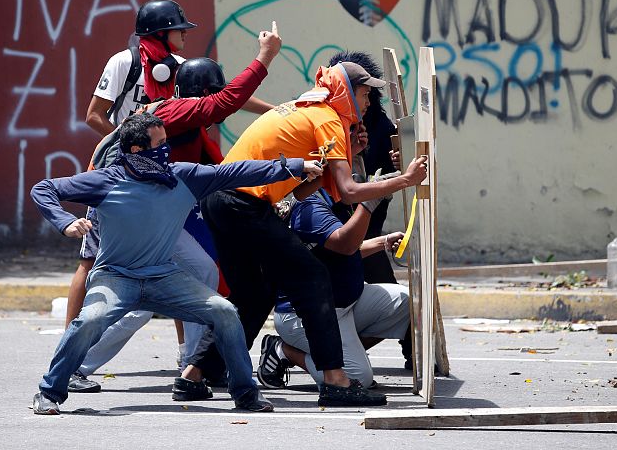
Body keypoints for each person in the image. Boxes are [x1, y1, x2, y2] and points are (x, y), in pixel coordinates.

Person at [31, 112, 323, 414]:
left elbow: (238, 172)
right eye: (160, 144)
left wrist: (295, 166)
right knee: (89, 320)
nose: (167, 151)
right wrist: (64, 222)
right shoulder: (105, 180)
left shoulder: (182, 176)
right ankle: (49, 391)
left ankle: (245, 393)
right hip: (115, 277)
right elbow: (44, 189)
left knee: (224, 311)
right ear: (136, 151)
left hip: (164, 276)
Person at [190, 61, 428, 407]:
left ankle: (195, 374)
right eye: (363, 94)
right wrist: (404, 180)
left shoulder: (310, 109)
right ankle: (335, 380)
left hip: (222, 199)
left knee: (253, 295)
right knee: (312, 277)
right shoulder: (328, 116)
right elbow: (347, 190)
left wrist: (351, 153)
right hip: (242, 203)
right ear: (345, 92)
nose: (367, 102)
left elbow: (303, 187)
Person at [67, 23, 281, 395]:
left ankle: (193, 368)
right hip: (124, 212)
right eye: (212, 96)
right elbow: (228, 100)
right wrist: (265, 56)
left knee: (198, 273)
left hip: (146, 212)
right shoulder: (176, 112)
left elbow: (219, 169)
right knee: (134, 303)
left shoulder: (183, 118)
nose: (219, 107)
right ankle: (75, 365)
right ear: (200, 95)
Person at [260, 182, 410, 389]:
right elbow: (345, 245)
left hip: (347, 303)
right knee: (356, 379)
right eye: (348, 152)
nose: (360, 151)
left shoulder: (329, 194)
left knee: (407, 302)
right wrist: (368, 204)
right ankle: (284, 350)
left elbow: (344, 249)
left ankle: (343, 353)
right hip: (307, 315)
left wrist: (383, 242)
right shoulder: (309, 206)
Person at [326, 51, 413, 368]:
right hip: (332, 224)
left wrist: (397, 163)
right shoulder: (324, 119)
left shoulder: (379, 123)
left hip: (368, 222)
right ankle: (298, 351)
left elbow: (391, 169)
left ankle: (414, 350)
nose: (363, 100)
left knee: (391, 293)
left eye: (366, 93)